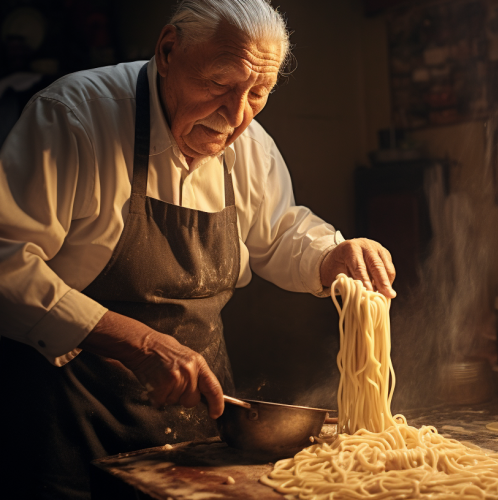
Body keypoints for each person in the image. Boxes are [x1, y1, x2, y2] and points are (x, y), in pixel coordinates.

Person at [0, 1, 395, 498]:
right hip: (74, 429)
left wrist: (331, 255)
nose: (236, 116)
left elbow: (279, 230)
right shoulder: (75, 118)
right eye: (220, 84)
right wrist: (139, 343)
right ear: (168, 51)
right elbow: (6, 262)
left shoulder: (249, 145)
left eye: (258, 93)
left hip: (200, 439)